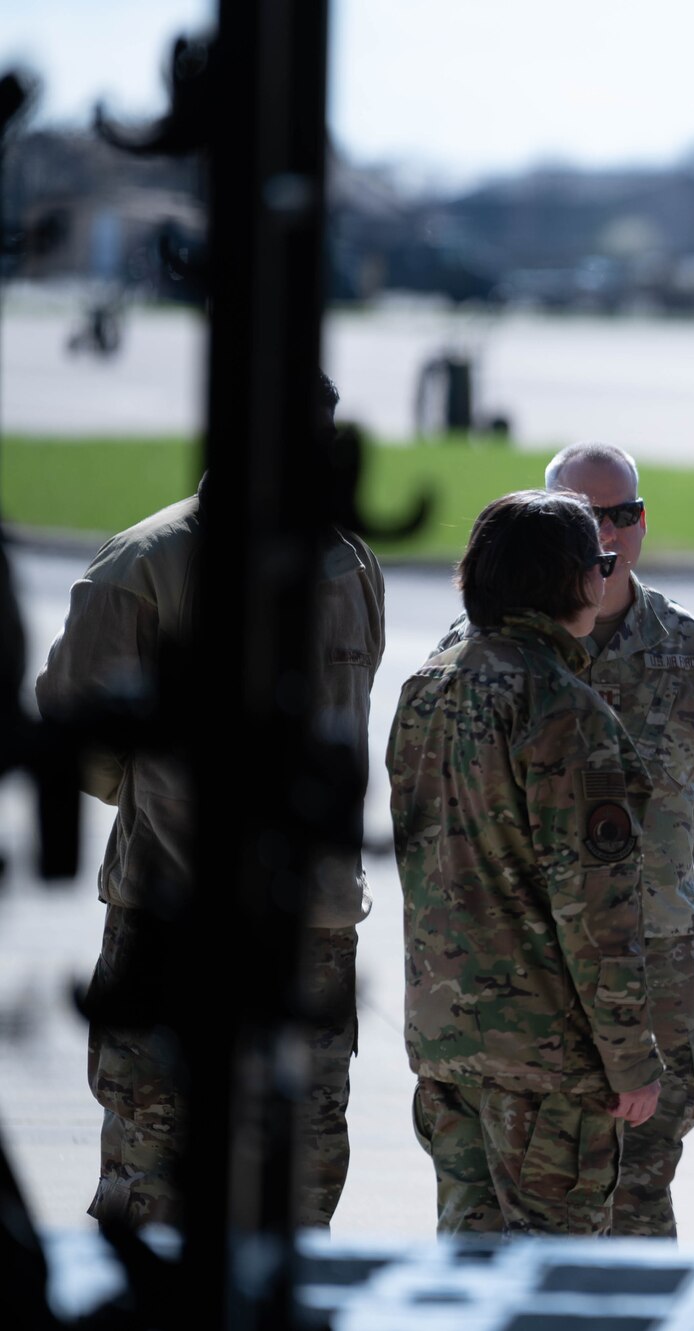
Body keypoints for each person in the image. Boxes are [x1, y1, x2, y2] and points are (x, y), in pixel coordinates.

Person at [35, 373, 383, 1230]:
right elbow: (77, 722)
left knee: (300, 1188)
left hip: (314, 927)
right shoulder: (146, 563)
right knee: (154, 1186)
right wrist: (166, 801)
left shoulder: (344, 560)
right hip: (172, 914)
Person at [434, 442, 694, 1238]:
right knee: (495, 1212)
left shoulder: (685, 649)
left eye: (623, 515)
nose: (607, 536)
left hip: (650, 956)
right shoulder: (472, 658)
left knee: (638, 1190)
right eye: (583, 518)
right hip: (517, 969)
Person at [390, 490, 665, 1235]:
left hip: (449, 1043)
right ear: (575, 580)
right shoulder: (563, 709)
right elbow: (596, 910)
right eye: (600, 563)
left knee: (469, 1273)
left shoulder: (426, 687)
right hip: (546, 1064)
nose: (607, 578)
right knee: (553, 1283)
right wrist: (631, 1059)